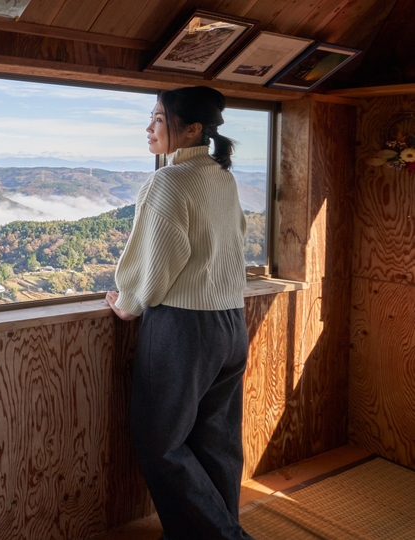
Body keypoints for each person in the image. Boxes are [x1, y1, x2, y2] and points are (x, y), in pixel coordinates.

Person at [104, 86, 253, 540]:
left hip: (185, 326)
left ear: (191, 129)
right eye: (150, 117)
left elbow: (157, 260)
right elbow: (235, 242)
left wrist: (127, 305)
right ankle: (220, 529)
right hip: (230, 322)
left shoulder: (168, 182)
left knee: (160, 444)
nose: (149, 128)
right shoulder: (221, 177)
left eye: (159, 119)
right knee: (217, 442)